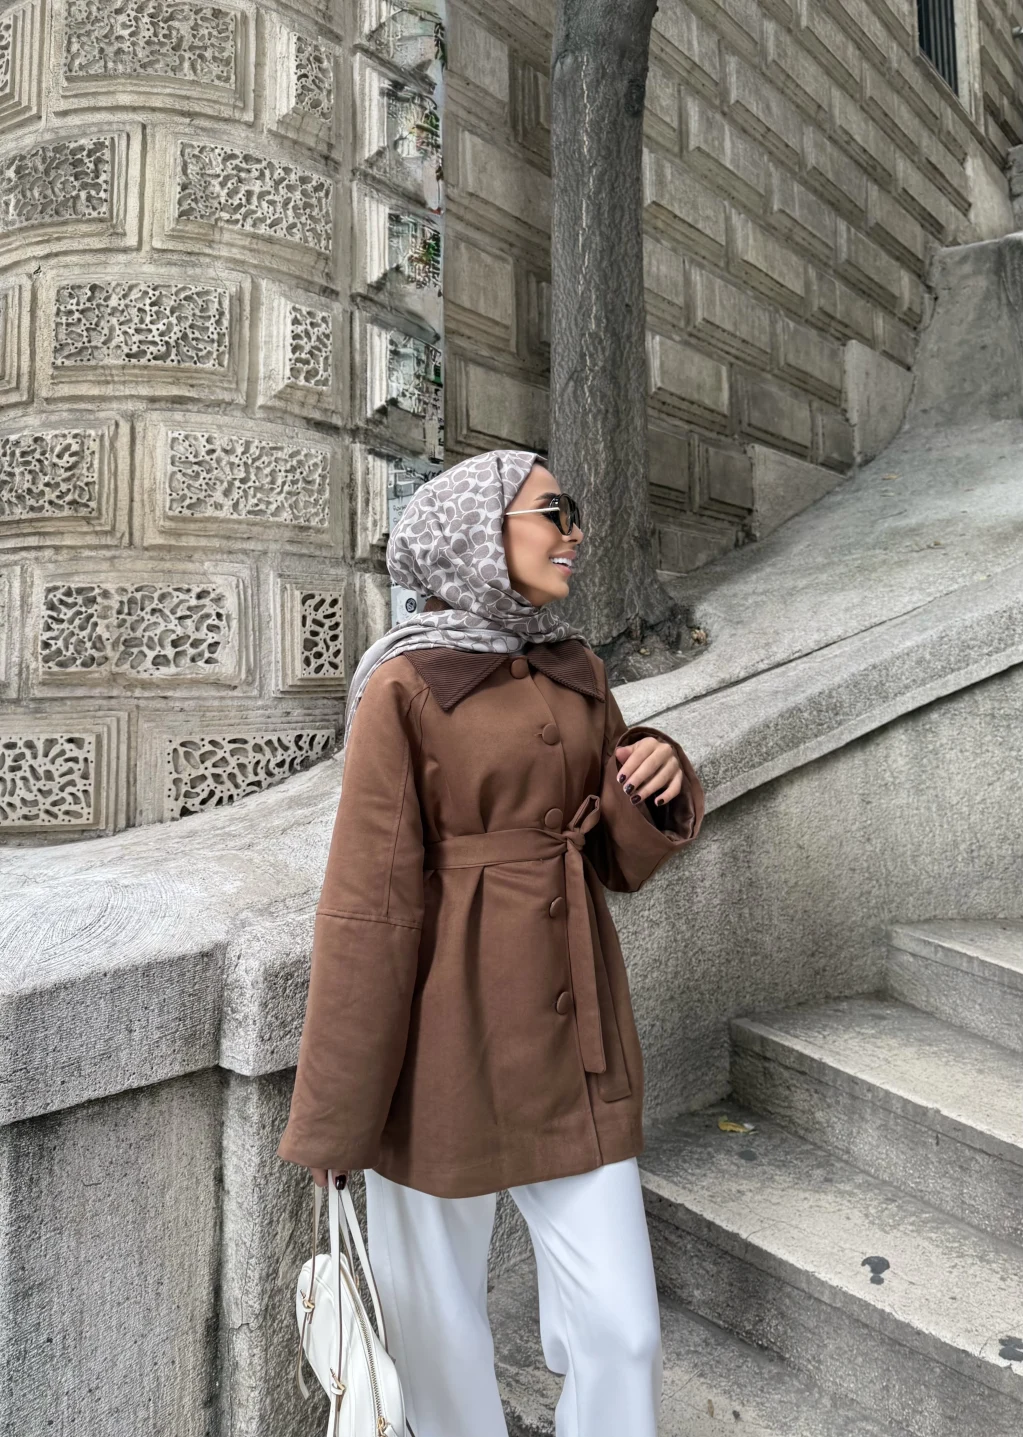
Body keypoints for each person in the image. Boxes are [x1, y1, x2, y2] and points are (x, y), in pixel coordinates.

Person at [277, 448, 705, 1437]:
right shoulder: (405, 684)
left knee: (624, 1333)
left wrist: (657, 774)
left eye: (573, 512)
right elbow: (368, 907)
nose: (573, 531)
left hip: (574, 1044)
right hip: (439, 1050)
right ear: (479, 531)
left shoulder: (576, 670)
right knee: (435, 1341)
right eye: (552, 510)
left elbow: (613, 859)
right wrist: (337, 1118)